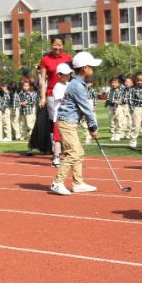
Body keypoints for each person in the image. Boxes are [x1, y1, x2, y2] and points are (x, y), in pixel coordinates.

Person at [49, 51, 101, 196]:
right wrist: (93, 126)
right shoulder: (77, 86)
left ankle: (78, 183)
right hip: (66, 122)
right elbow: (86, 108)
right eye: (91, 66)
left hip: (69, 122)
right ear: (85, 68)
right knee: (74, 153)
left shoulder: (77, 83)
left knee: (78, 152)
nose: (93, 69)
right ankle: (57, 183)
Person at [29, 38, 72, 155]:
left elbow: (72, 76)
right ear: (51, 45)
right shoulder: (45, 59)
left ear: (62, 46)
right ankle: (55, 148)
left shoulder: (67, 58)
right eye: (55, 45)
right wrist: (43, 97)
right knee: (56, 120)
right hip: (51, 94)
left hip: (66, 92)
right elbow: (42, 80)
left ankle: (66, 146)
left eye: (59, 45)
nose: (57, 47)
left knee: (67, 120)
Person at [127, 72, 142, 149]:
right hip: (136, 108)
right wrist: (132, 110)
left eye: (141, 80)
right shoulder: (132, 90)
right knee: (136, 126)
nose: (139, 82)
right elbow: (130, 100)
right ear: (135, 80)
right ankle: (133, 142)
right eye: (137, 80)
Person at [106, 76, 126, 141]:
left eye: (115, 82)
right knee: (112, 121)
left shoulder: (121, 90)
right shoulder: (110, 91)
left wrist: (118, 102)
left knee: (119, 121)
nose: (113, 84)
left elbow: (122, 99)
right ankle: (113, 134)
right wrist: (111, 101)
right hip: (111, 107)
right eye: (112, 82)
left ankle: (118, 134)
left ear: (119, 83)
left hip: (118, 107)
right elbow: (108, 99)